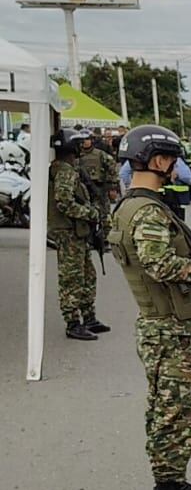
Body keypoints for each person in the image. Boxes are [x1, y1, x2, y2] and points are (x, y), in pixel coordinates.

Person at [108, 124, 191, 490]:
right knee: (175, 412)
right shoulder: (148, 212)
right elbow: (158, 264)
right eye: (172, 160)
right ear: (157, 160)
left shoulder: (134, 205)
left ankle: (173, 480)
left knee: (170, 407)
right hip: (168, 329)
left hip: (165, 326)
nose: (175, 167)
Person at [48, 128, 108, 341]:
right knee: (72, 278)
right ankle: (73, 323)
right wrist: (90, 213)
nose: (82, 147)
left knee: (87, 275)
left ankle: (88, 317)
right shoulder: (64, 171)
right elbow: (64, 203)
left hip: (75, 231)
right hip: (68, 231)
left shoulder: (66, 168)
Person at [120, 157, 191, 219]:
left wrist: (134, 185)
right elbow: (188, 178)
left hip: (142, 197)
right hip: (169, 199)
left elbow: (123, 173)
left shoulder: (136, 159)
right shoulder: (173, 160)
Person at [75, 129, 120, 214]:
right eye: (82, 140)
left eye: (87, 139)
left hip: (98, 188)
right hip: (81, 189)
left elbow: (112, 168)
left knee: (103, 213)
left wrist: (113, 187)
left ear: (92, 140)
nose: (85, 142)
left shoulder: (100, 154)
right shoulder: (76, 155)